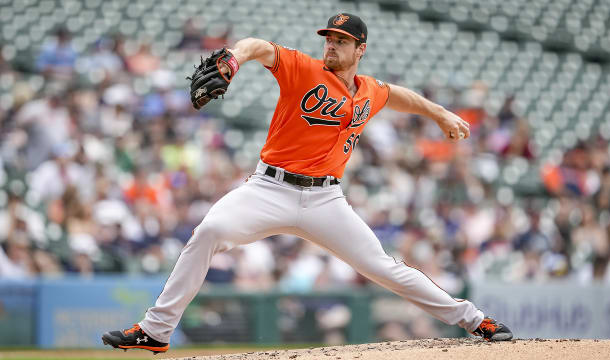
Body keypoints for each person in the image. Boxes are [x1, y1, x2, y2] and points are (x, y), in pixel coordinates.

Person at [102, 13, 513, 354]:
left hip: (326, 200)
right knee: (208, 231)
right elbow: (259, 46)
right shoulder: (303, 69)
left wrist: (440, 113)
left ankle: (476, 320)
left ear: (360, 50)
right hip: (269, 189)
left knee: (383, 267)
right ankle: (156, 331)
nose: (331, 45)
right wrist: (232, 57)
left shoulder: (369, 91)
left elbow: (399, 96)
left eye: (342, 40)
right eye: (329, 38)